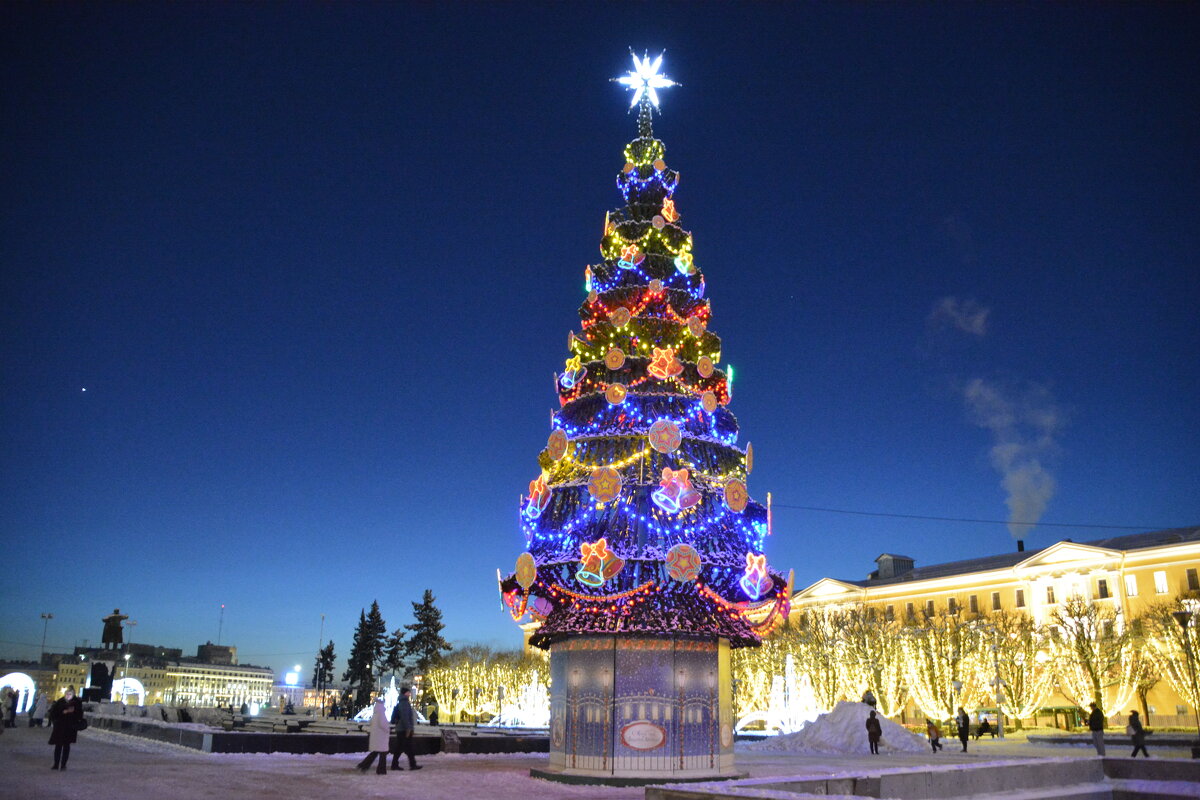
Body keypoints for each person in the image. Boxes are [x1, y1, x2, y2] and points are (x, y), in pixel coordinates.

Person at [48, 688, 85, 770]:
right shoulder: (60, 701)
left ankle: (63, 764)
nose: (68, 695)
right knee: (58, 746)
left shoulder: (76, 703)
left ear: (73, 694)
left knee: (66, 746)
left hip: (70, 728)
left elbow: (80, 715)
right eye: (67, 694)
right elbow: (53, 713)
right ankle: (56, 764)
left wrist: (73, 712)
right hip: (60, 727)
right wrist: (63, 712)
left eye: (70, 694)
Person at [355, 698, 390, 774]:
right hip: (381, 738)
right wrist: (388, 729)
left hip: (376, 737)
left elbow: (371, 724)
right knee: (382, 754)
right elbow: (383, 725)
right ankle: (381, 770)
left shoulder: (375, 714)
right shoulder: (381, 714)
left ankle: (364, 765)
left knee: (375, 753)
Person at [390, 687, 422, 771]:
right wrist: (408, 729)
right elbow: (405, 717)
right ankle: (410, 764)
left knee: (402, 747)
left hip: (401, 729)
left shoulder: (402, 702)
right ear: (405, 693)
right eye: (408, 692)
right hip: (403, 730)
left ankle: (406, 764)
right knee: (404, 748)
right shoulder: (404, 703)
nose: (410, 694)